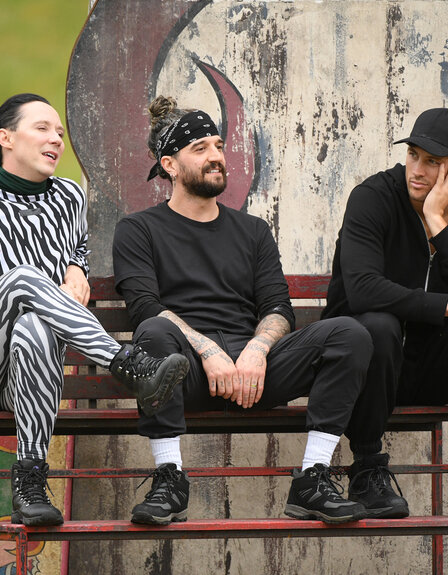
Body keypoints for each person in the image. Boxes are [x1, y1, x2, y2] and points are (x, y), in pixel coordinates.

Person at [0, 93, 189, 527]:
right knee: (25, 282)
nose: (56, 140)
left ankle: (29, 483)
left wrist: (76, 267)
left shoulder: (68, 197)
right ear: (5, 137)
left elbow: (75, 249)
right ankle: (126, 364)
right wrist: (32, 285)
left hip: (26, 374)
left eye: (60, 133)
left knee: (35, 327)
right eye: (42, 128)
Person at [112, 96, 374, 526]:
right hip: (187, 373)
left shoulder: (252, 230)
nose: (216, 156)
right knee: (154, 335)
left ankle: (313, 477)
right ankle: (170, 478)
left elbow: (276, 306)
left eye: (217, 145)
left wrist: (257, 349)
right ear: (170, 165)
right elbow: (146, 308)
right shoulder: (139, 229)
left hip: (257, 375)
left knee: (350, 333)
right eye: (200, 149)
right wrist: (209, 352)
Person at [322, 107, 448, 518]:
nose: (417, 169)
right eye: (414, 154)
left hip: (429, 368)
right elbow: (361, 290)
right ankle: (366, 470)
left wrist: (437, 224)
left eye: (434, 162)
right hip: (363, 368)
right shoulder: (373, 197)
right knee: (377, 325)